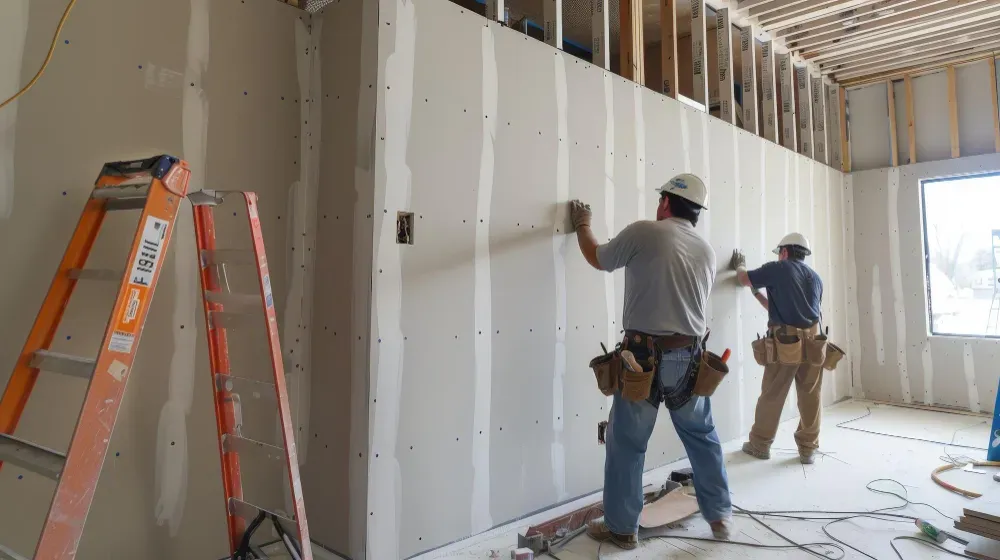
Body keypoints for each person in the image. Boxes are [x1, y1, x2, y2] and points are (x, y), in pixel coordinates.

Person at [569, 173, 733, 550]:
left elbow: (598, 257)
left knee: (627, 442)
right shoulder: (706, 251)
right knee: (702, 437)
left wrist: (582, 225)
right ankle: (720, 516)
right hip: (689, 360)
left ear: (665, 202)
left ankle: (623, 529)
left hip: (640, 359)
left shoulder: (645, 232)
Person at [730, 233, 824, 465]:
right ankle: (808, 449)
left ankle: (760, 444)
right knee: (810, 395)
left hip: (786, 343)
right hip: (813, 343)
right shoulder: (815, 278)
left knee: (773, 393)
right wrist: (757, 294)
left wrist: (740, 265)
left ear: (784, 252)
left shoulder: (778, 269)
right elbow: (781, 306)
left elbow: (743, 279)